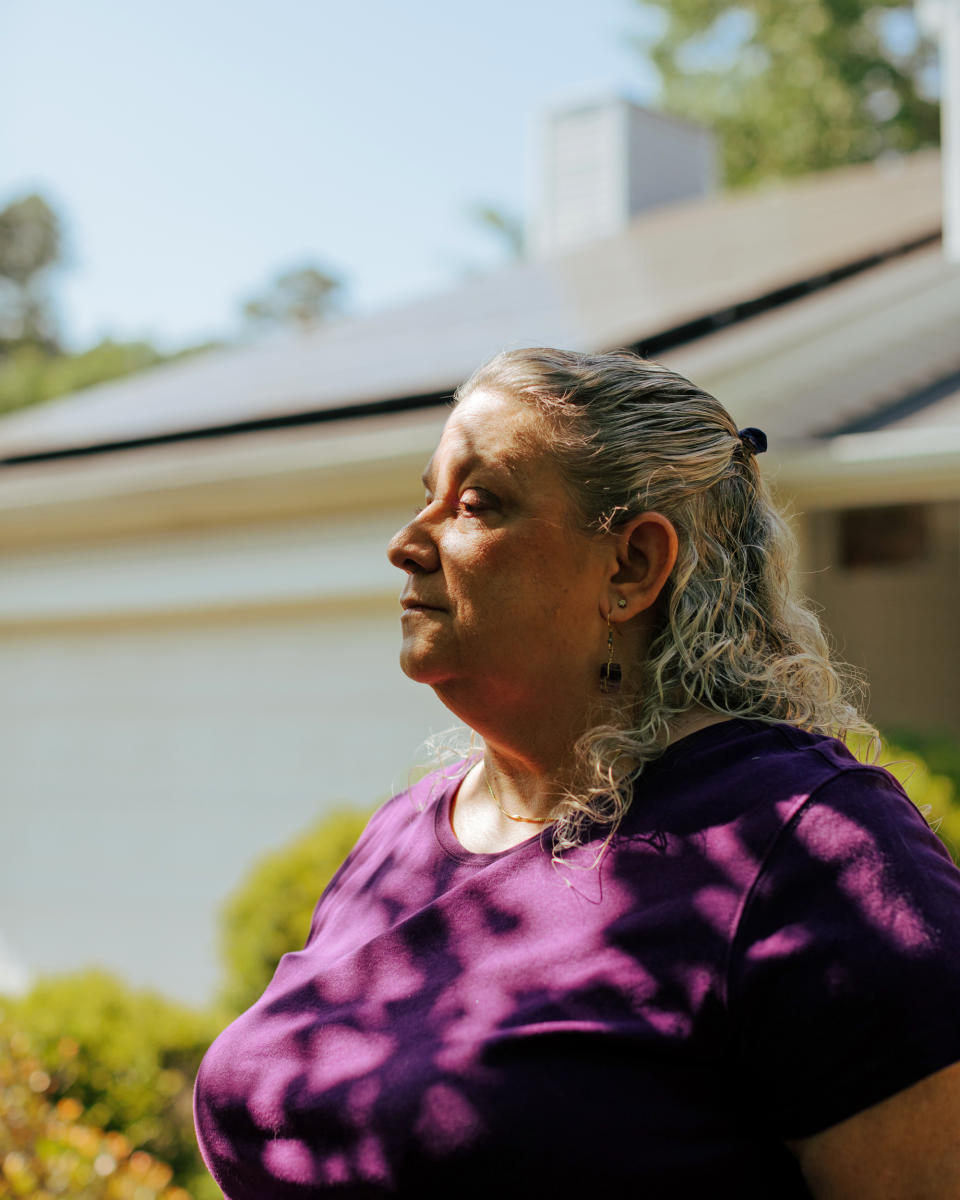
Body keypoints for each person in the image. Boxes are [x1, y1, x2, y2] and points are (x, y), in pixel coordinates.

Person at [194, 347, 960, 1198]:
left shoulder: (807, 851)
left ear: (632, 566)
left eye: (476, 504)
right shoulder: (402, 836)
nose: (407, 545)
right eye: (427, 499)